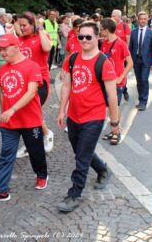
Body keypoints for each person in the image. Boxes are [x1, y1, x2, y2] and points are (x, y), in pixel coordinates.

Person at [57, 22, 118, 212]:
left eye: (88, 37)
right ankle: (103, 170)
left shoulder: (104, 63)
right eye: (80, 36)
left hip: (94, 116)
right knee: (82, 151)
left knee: (81, 157)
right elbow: (66, 85)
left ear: (97, 38)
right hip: (74, 116)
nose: (83, 40)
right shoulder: (73, 59)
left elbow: (113, 96)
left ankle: (74, 194)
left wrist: (114, 123)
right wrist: (62, 110)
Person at [0, 34, 48, 204]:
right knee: (6, 155)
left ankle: (41, 175)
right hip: (9, 123)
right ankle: (1, 191)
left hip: (30, 120)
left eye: (5, 49)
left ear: (16, 46)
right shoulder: (3, 70)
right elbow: (3, 92)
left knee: (36, 152)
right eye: (0, 49)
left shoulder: (32, 66)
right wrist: (4, 111)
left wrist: (12, 109)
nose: (2, 52)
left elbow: (31, 92)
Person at [15, 12, 54, 158]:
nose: (22, 28)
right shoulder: (19, 40)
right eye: (20, 25)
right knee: (31, 112)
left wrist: (41, 29)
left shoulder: (41, 37)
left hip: (40, 82)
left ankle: (32, 143)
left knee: (30, 112)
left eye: (25, 25)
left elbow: (47, 48)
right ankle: (46, 134)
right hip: (24, 83)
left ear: (33, 25)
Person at [100, 18, 133, 145]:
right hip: (106, 81)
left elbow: (130, 63)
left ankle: (116, 132)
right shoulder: (104, 43)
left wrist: (121, 77)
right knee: (110, 107)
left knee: (115, 107)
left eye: (101, 29)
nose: (100, 31)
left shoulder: (120, 44)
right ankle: (113, 129)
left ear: (107, 30)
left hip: (117, 83)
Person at [129, 11, 152, 111]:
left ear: (147, 19)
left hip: (146, 61)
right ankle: (141, 99)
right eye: (141, 19)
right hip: (136, 60)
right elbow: (130, 48)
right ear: (138, 19)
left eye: (145, 19)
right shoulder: (133, 32)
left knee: (144, 79)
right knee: (138, 81)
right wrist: (129, 61)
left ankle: (144, 102)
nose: (143, 21)